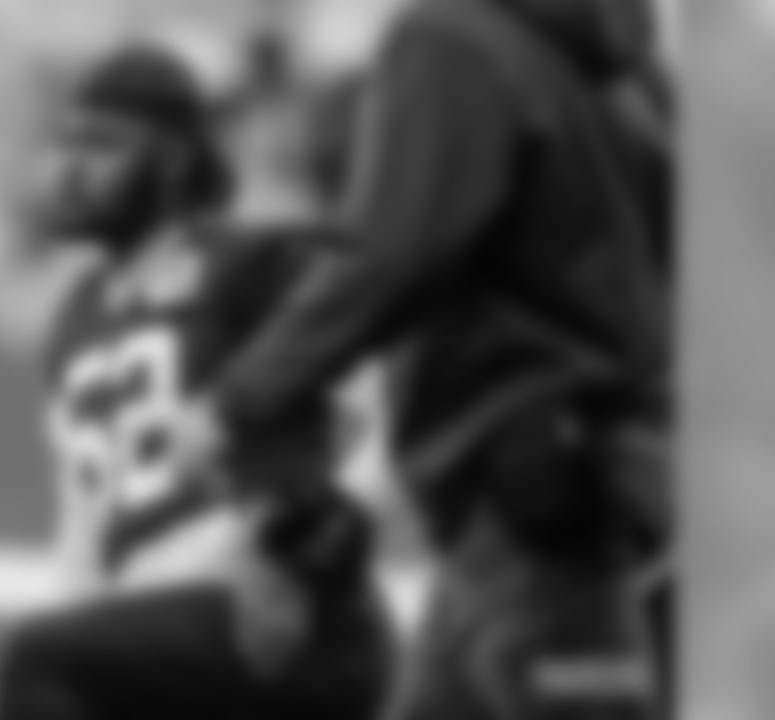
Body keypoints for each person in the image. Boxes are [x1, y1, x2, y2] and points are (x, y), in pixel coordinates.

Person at [162, 0, 674, 718]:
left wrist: (237, 402)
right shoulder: (628, 68)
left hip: (530, 510)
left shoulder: (449, 40)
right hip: (573, 500)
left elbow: (389, 258)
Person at [0, 45, 394, 720]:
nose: (71, 167)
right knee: (55, 657)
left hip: (277, 610)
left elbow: (378, 398)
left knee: (33, 661)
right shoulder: (72, 317)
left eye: (102, 145)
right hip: (167, 639)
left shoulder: (254, 264)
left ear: (174, 160)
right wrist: (84, 635)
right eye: (65, 142)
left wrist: (306, 553)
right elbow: (81, 525)